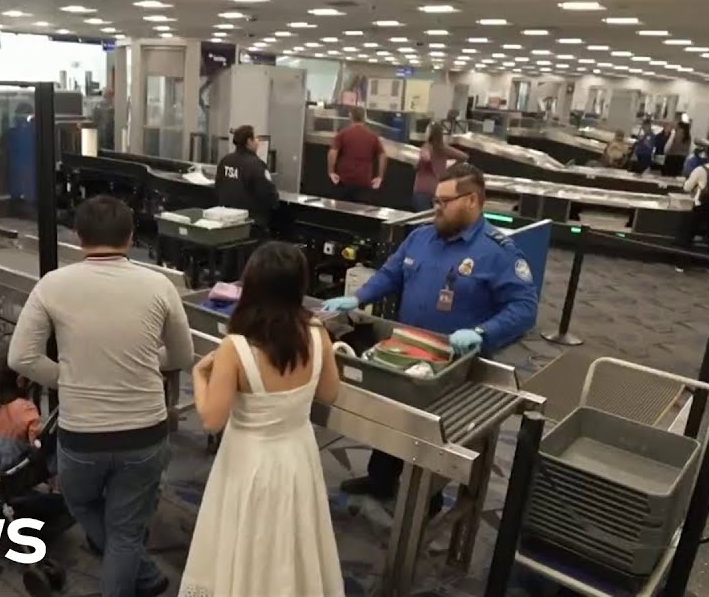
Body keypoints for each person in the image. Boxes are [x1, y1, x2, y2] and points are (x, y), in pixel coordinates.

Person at [9, 195, 194, 597]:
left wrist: (67, 379)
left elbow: (20, 357)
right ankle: (141, 574)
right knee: (127, 532)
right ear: (130, 237)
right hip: (145, 431)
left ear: (77, 236)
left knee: (79, 504)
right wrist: (144, 362)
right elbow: (182, 356)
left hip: (82, 433)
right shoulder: (159, 285)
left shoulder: (52, 285)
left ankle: (138, 573)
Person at [323, 163, 539, 501]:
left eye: (443, 202)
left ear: (472, 200)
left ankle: (427, 503)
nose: (435, 207)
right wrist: (357, 297)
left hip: (454, 368)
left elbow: (524, 309)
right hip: (406, 353)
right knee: (393, 419)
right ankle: (380, 481)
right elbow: (391, 275)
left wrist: (483, 332)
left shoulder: (498, 252)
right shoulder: (420, 237)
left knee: (432, 443)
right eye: (435, 200)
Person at [180, 242, 344, 597]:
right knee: (294, 541)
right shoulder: (317, 332)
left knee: (248, 541)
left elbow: (211, 419)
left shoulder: (236, 347)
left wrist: (198, 375)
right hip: (298, 453)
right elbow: (330, 394)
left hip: (249, 461)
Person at [214, 124, 278, 235]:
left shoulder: (225, 161)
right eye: (255, 138)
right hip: (250, 225)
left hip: (226, 223)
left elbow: (218, 187)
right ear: (249, 141)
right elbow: (269, 195)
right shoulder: (257, 165)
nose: (258, 141)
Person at [327, 105, 386, 204]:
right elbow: (383, 155)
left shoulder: (343, 134)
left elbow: (332, 152)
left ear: (351, 116)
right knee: (360, 212)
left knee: (342, 210)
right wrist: (380, 176)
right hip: (364, 181)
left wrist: (331, 172)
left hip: (345, 180)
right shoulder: (372, 136)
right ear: (364, 118)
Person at [412, 122, 468, 211]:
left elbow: (422, 163)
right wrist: (448, 171)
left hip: (422, 189)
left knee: (422, 219)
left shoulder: (426, 147)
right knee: (434, 218)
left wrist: (417, 164)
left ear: (430, 134)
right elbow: (464, 157)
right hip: (437, 189)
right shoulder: (444, 149)